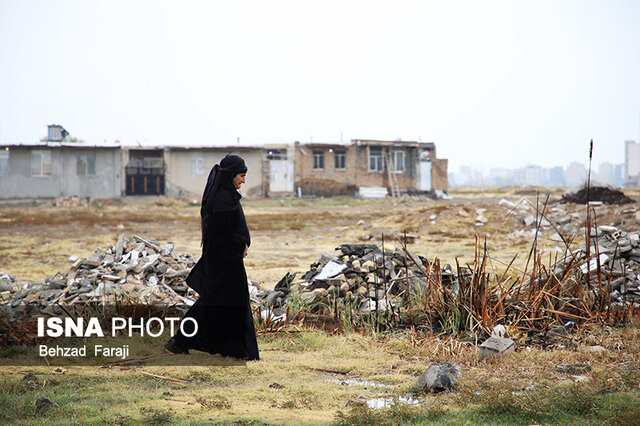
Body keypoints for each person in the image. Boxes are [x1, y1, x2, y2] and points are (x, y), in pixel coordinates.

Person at [165, 154, 259, 361]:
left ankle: (233, 349)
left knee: (225, 303)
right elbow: (222, 233)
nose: (243, 180)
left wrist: (240, 246)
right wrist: (238, 246)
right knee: (214, 303)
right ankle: (181, 340)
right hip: (224, 261)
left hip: (227, 259)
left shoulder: (225, 194)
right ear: (230, 175)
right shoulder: (222, 199)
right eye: (241, 176)